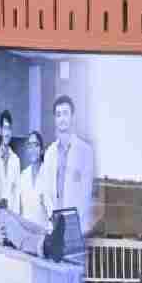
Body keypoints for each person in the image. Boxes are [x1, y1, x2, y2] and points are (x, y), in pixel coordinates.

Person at [40, 94, 94, 235]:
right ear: (55, 119)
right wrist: (53, 217)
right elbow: (46, 191)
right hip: (54, 225)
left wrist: (70, 223)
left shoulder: (85, 151)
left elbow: (85, 194)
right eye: (58, 115)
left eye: (65, 113)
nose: (62, 119)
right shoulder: (49, 152)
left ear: (72, 117)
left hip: (76, 226)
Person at [0, 110, 21, 215]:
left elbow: (17, 192)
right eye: (5, 128)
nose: (7, 133)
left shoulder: (16, 160)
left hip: (12, 214)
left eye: (9, 129)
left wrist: (16, 216)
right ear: (0, 130)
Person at [18, 131, 49, 227]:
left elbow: (53, 212)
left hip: (43, 234)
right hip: (26, 234)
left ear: (41, 150)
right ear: (27, 150)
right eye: (30, 145)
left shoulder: (48, 175)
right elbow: (20, 209)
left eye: (36, 145)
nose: (33, 149)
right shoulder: (23, 176)